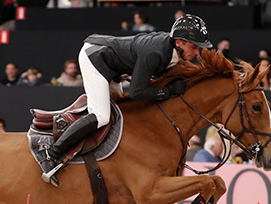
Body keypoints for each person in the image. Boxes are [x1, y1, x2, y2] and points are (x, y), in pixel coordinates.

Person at [40, 14, 212, 187]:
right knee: (101, 116)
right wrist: (166, 92)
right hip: (95, 57)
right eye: (194, 47)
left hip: (113, 67)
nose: (197, 52)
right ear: (178, 42)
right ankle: (51, 154)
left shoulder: (172, 53)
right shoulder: (156, 52)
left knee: (122, 113)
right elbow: (137, 92)